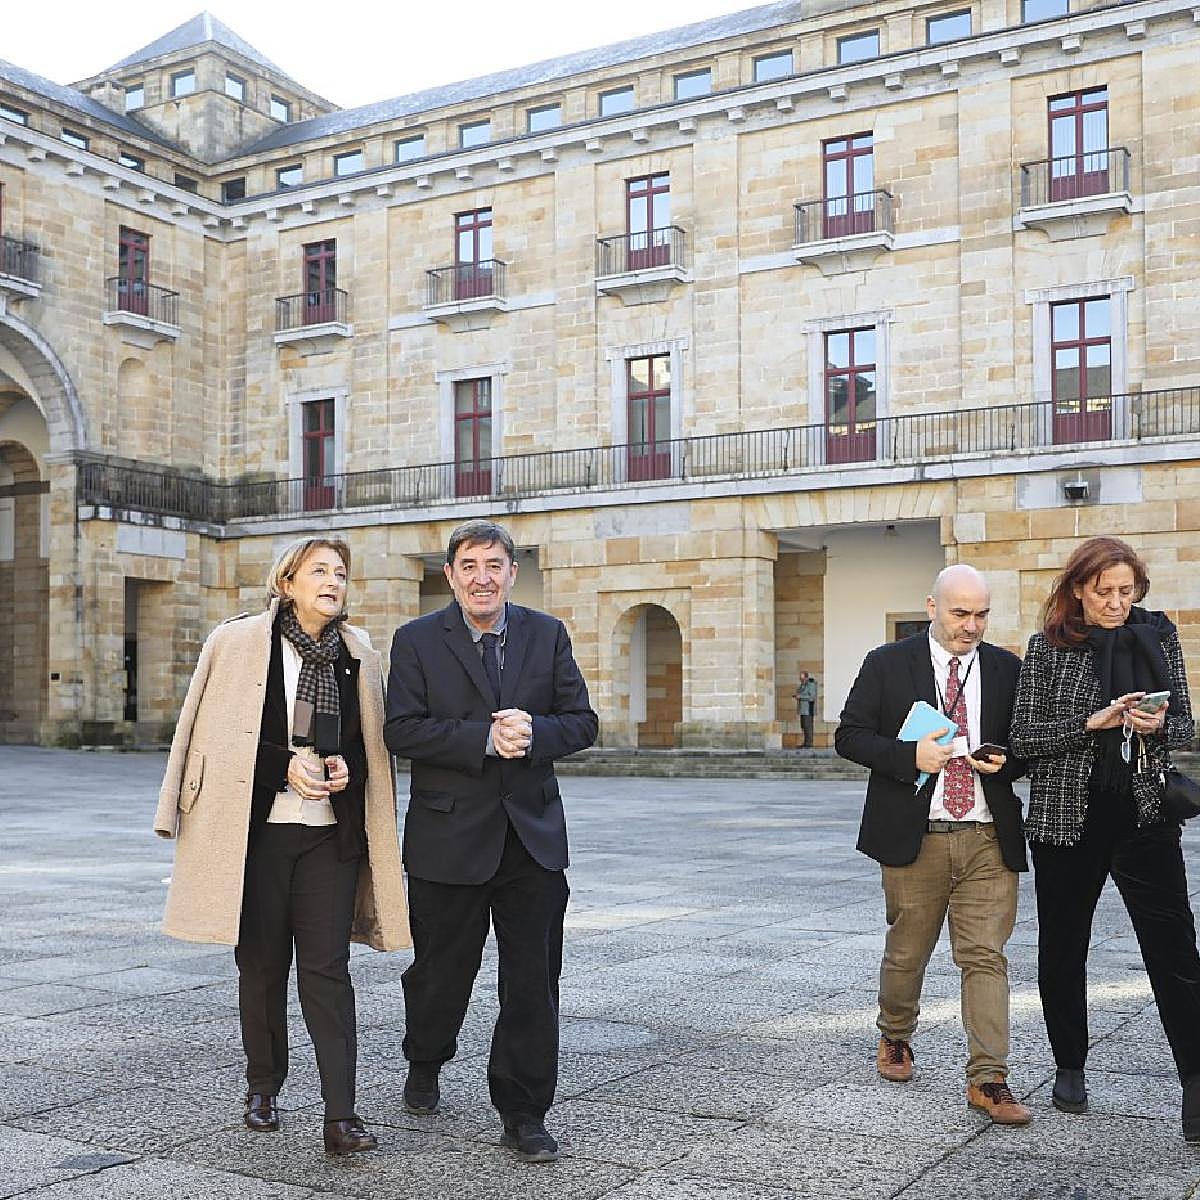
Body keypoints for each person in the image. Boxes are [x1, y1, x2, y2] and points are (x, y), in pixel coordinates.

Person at [154, 536, 409, 1156]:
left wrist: (345, 769)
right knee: (262, 964)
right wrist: (282, 766)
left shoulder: (359, 654)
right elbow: (210, 734)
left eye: (341, 573)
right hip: (259, 833)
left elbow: (367, 744)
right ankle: (263, 1084)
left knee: (328, 971)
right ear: (287, 581)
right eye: (319, 571)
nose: (333, 581)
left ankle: (340, 1116)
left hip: (331, 837)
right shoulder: (240, 644)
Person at [384, 519, 597, 1163]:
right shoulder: (417, 640)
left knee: (533, 979)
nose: (483, 577)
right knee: (440, 974)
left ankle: (524, 1108)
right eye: (470, 565)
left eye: (496, 564)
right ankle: (426, 1056)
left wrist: (535, 733)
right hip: (448, 839)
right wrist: (481, 738)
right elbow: (402, 730)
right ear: (449, 575)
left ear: (512, 572)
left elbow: (582, 721)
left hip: (531, 839)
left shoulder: (546, 634)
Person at [1009, 536, 1200, 1137]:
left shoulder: (1157, 635)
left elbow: (1187, 722)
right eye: (1104, 591)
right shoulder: (1047, 648)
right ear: (1077, 590)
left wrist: (1158, 722)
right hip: (1068, 822)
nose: (1116, 603)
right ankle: (1069, 1062)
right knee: (1063, 947)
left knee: (1175, 954)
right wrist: (1092, 722)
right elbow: (1026, 741)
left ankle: (1195, 1082)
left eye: (1126, 591)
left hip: (1143, 816)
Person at [836, 564, 1032, 1125]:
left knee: (985, 957)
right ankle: (895, 1036)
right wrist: (908, 758)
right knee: (908, 950)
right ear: (931, 606)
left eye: (981, 614)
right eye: (960, 613)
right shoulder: (887, 663)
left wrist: (1006, 761)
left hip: (988, 836)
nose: (972, 625)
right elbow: (848, 735)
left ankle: (989, 1078)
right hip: (916, 836)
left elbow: (1022, 748)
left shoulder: (1005, 669)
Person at [795, 671, 818, 748]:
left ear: (806, 677)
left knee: (808, 726)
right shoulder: (803, 685)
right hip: (803, 710)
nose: (801, 679)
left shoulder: (810, 684)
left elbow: (812, 697)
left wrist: (800, 697)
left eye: (802, 678)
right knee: (804, 726)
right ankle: (805, 742)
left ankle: (809, 743)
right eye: (800, 678)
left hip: (808, 709)